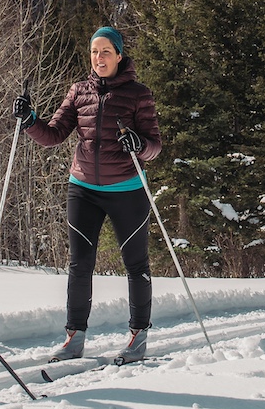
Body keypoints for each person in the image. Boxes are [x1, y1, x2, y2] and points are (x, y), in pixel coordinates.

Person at [14, 25, 163, 365]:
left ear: (119, 55)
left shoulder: (139, 94)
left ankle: (138, 336)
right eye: (95, 52)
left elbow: (154, 146)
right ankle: (74, 338)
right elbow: (54, 135)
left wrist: (139, 144)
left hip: (127, 189)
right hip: (83, 189)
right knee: (79, 264)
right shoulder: (79, 91)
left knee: (136, 264)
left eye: (106, 51)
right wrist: (29, 120)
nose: (99, 58)